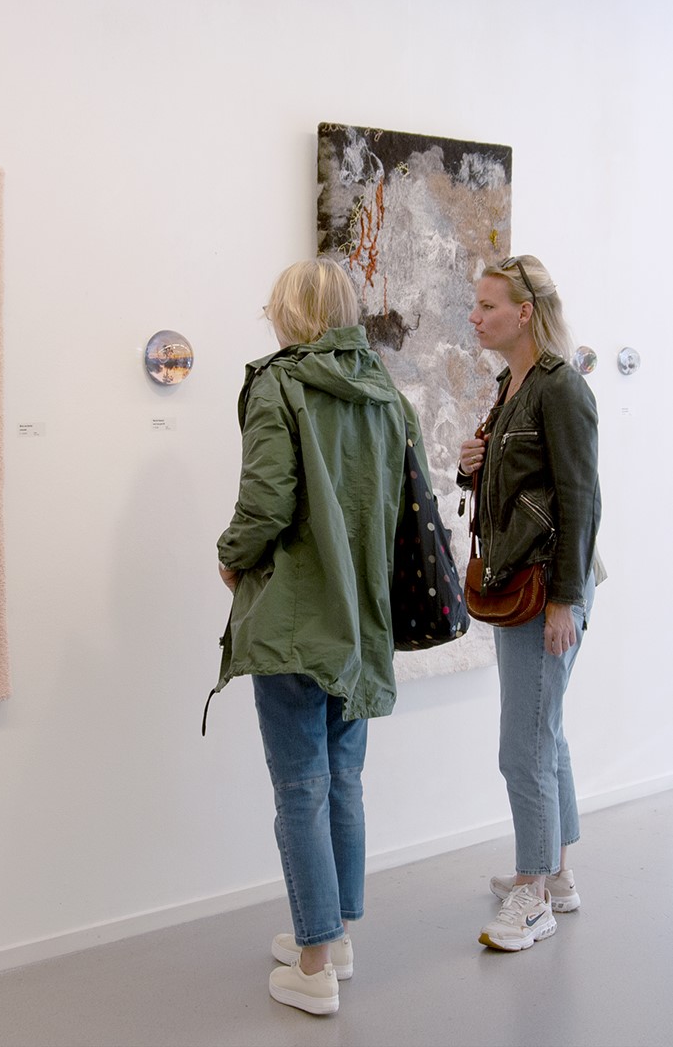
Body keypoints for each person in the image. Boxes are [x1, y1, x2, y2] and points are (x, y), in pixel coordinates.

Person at [213, 258, 423, 1015]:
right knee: (342, 778)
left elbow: (266, 499)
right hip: (361, 621)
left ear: (292, 313)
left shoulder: (279, 383)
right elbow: (405, 508)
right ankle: (334, 937)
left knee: (299, 786)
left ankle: (310, 965)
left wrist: (230, 556)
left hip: (297, 622)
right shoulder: (385, 394)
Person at [457, 255, 602, 952]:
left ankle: (533, 892)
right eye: (474, 305)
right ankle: (558, 875)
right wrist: (471, 467)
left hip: (548, 586)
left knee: (523, 746)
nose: (475, 316)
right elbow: (517, 484)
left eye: (487, 306)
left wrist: (566, 603)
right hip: (524, 581)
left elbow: (580, 499)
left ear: (524, 312)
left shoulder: (559, 387)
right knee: (545, 733)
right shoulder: (510, 385)